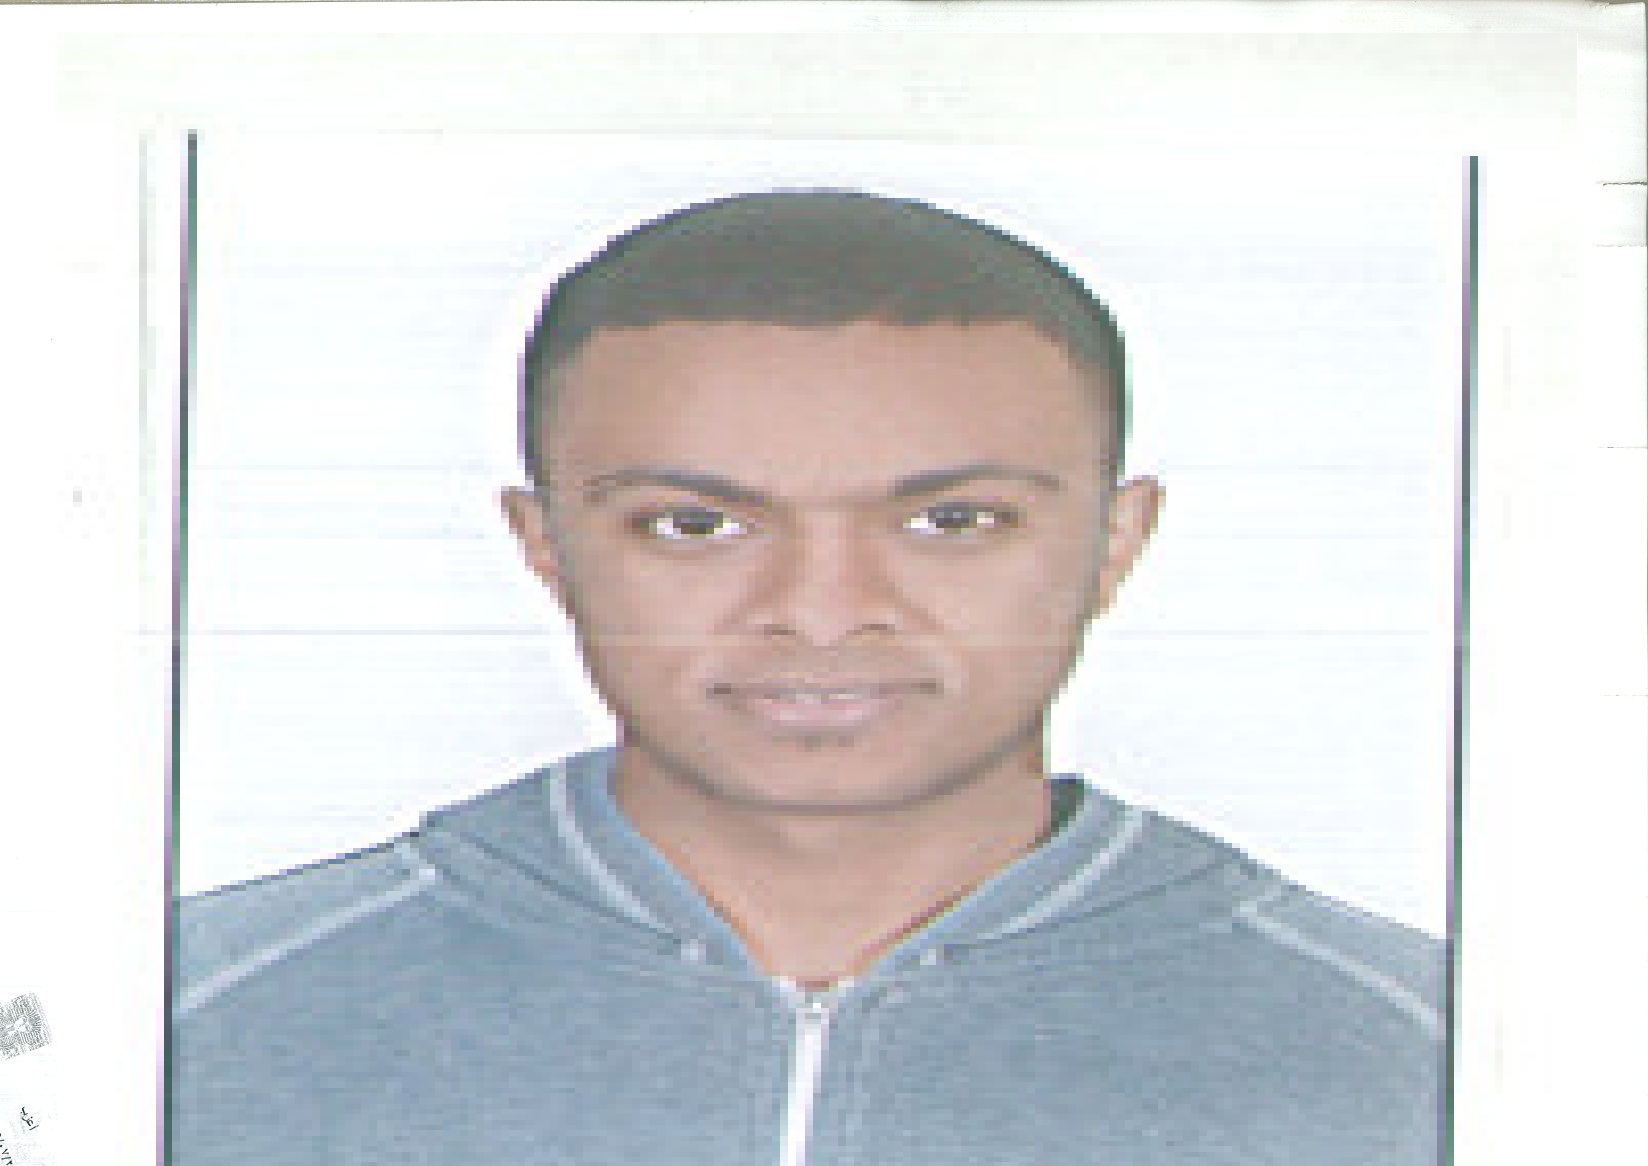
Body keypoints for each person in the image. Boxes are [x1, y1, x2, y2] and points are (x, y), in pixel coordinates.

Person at [171, 190, 1446, 1166]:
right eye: (695, 524)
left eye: (951, 521)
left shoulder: (1430, 1047)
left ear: (1115, 542)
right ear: (545, 545)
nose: (822, 614)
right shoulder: (179, 1012)